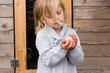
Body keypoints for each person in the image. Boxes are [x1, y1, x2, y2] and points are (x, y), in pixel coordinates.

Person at [34, 0, 84, 73]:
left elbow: (78, 61)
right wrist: (61, 48)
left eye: (58, 13)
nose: (56, 18)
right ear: (42, 19)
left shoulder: (71, 33)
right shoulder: (42, 34)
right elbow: (47, 60)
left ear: (63, 11)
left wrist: (73, 48)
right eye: (50, 16)